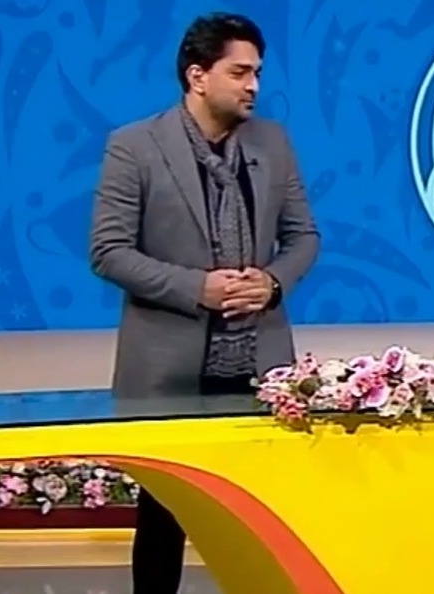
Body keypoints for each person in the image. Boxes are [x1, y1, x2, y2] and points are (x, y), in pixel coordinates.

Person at [88, 12, 320, 594]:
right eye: (239, 72)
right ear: (197, 76)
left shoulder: (272, 143)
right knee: (163, 516)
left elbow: (303, 237)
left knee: (269, 516)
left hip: (260, 361)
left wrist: (271, 283)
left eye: (257, 73)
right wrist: (199, 288)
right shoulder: (135, 146)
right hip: (170, 364)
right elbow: (109, 252)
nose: (253, 86)